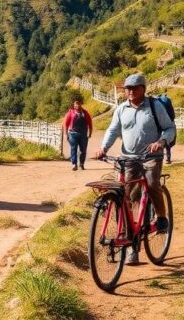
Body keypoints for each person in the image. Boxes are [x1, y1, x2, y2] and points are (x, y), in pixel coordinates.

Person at [94, 74, 175, 263]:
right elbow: (113, 130)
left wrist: (161, 142)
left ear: (143, 89)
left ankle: (162, 217)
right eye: (127, 89)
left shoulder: (155, 107)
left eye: (134, 88)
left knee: (153, 182)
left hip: (151, 157)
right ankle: (130, 243)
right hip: (128, 158)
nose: (130, 92)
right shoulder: (121, 109)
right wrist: (103, 148)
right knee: (126, 196)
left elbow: (170, 128)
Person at [63, 97, 93, 170]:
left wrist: (90, 134)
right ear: (73, 105)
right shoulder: (70, 113)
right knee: (74, 148)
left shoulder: (85, 113)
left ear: (81, 104)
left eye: (78, 103)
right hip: (73, 134)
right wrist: (66, 134)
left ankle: (81, 164)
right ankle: (74, 164)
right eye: (75, 104)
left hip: (83, 134)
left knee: (83, 150)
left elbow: (90, 124)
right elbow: (66, 124)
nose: (77, 105)